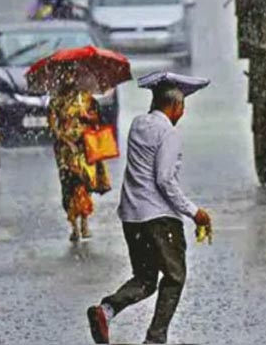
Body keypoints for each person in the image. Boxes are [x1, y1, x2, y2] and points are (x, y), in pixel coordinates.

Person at [87, 73, 212, 345]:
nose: (183, 112)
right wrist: (194, 212)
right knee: (175, 276)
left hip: (132, 216)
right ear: (175, 106)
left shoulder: (137, 124)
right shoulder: (169, 132)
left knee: (144, 279)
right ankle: (155, 339)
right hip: (159, 219)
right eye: (183, 106)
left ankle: (105, 311)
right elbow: (164, 179)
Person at [48, 75, 111, 242]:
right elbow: (53, 127)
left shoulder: (86, 98)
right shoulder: (55, 101)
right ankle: (74, 226)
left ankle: (84, 222)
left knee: (83, 185)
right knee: (69, 187)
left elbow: (97, 120)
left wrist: (87, 117)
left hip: (84, 149)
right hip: (65, 152)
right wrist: (67, 141)